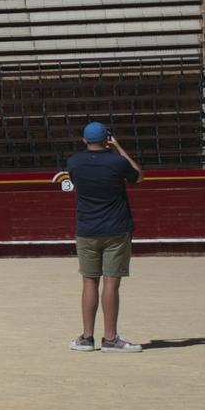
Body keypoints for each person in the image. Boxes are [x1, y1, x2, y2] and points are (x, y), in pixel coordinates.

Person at [65, 121, 143, 353]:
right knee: (111, 282)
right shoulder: (117, 162)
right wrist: (118, 148)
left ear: (84, 140)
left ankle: (87, 337)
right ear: (106, 138)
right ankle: (110, 338)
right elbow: (138, 176)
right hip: (116, 229)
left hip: (87, 229)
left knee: (89, 281)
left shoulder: (74, 162)